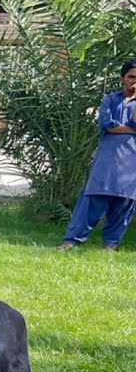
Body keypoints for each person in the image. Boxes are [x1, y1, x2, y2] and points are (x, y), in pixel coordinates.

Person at [60, 60, 136, 251]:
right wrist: (130, 129)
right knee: (92, 201)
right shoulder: (110, 99)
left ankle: (109, 247)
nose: (135, 81)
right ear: (122, 79)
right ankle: (71, 242)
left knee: (124, 204)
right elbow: (106, 124)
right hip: (107, 161)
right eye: (132, 77)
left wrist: (119, 128)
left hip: (132, 164)